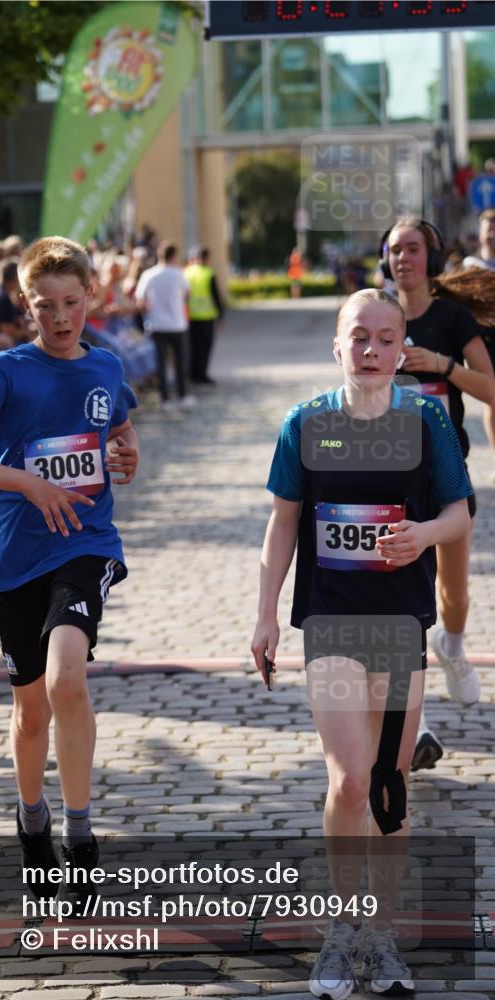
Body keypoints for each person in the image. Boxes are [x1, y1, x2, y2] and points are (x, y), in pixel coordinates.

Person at [252, 289, 472, 999]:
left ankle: (381, 933)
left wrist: (423, 536)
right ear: (337, 347)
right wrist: (263, 615)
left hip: (398, 623)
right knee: (348, 780)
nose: (372, 350)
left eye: (385, 338)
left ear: (401, 345)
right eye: (358, 337)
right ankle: (340, 933)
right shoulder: (305, 422)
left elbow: (458, 511)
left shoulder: (426, 419)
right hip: (331, 622)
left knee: (389, 789)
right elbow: (283, 523)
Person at [0, 236, 139, 913]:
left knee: (66, 678)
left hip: (84, 544)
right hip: (15, 552)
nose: (59, 317)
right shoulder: (4, 371)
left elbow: (118, 425)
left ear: (91, 298)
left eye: (71, 303)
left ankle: (81, 838)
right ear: (26, 306)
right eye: (44, 306)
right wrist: (24, 481)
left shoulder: (106, 366)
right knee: (28, 714)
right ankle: (32, 826)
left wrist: (125, 450)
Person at [380, 216, 495, 770]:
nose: (403, 258)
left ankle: (452, 645)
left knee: (451, 597)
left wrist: (442, 367)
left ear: (432, 255)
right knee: (406, 606)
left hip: (448, 478)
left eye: (413, 248)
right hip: (390, 482)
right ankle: (415, 725)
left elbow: (492, 387)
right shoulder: (378, 314)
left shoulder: (450, 317)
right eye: (395, 250)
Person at [135, 240, 196, 412]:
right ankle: (183, 395)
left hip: (156, 325)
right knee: (180, 361)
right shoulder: (179, 274)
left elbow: (140, 300)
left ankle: (165, 399)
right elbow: (187, 293)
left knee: (161, 363)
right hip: (177, 324)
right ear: (174, 256)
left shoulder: (148, 275)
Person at [184, 246, 224, 385]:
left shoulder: (186, 272)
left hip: (189, 317)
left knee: (192, 347)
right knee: (205, 348)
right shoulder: (209, 273)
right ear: (206, 258)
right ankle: (201, 375)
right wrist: (221, 315)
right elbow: (216, 296)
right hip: (206, 317)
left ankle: (191, 375)